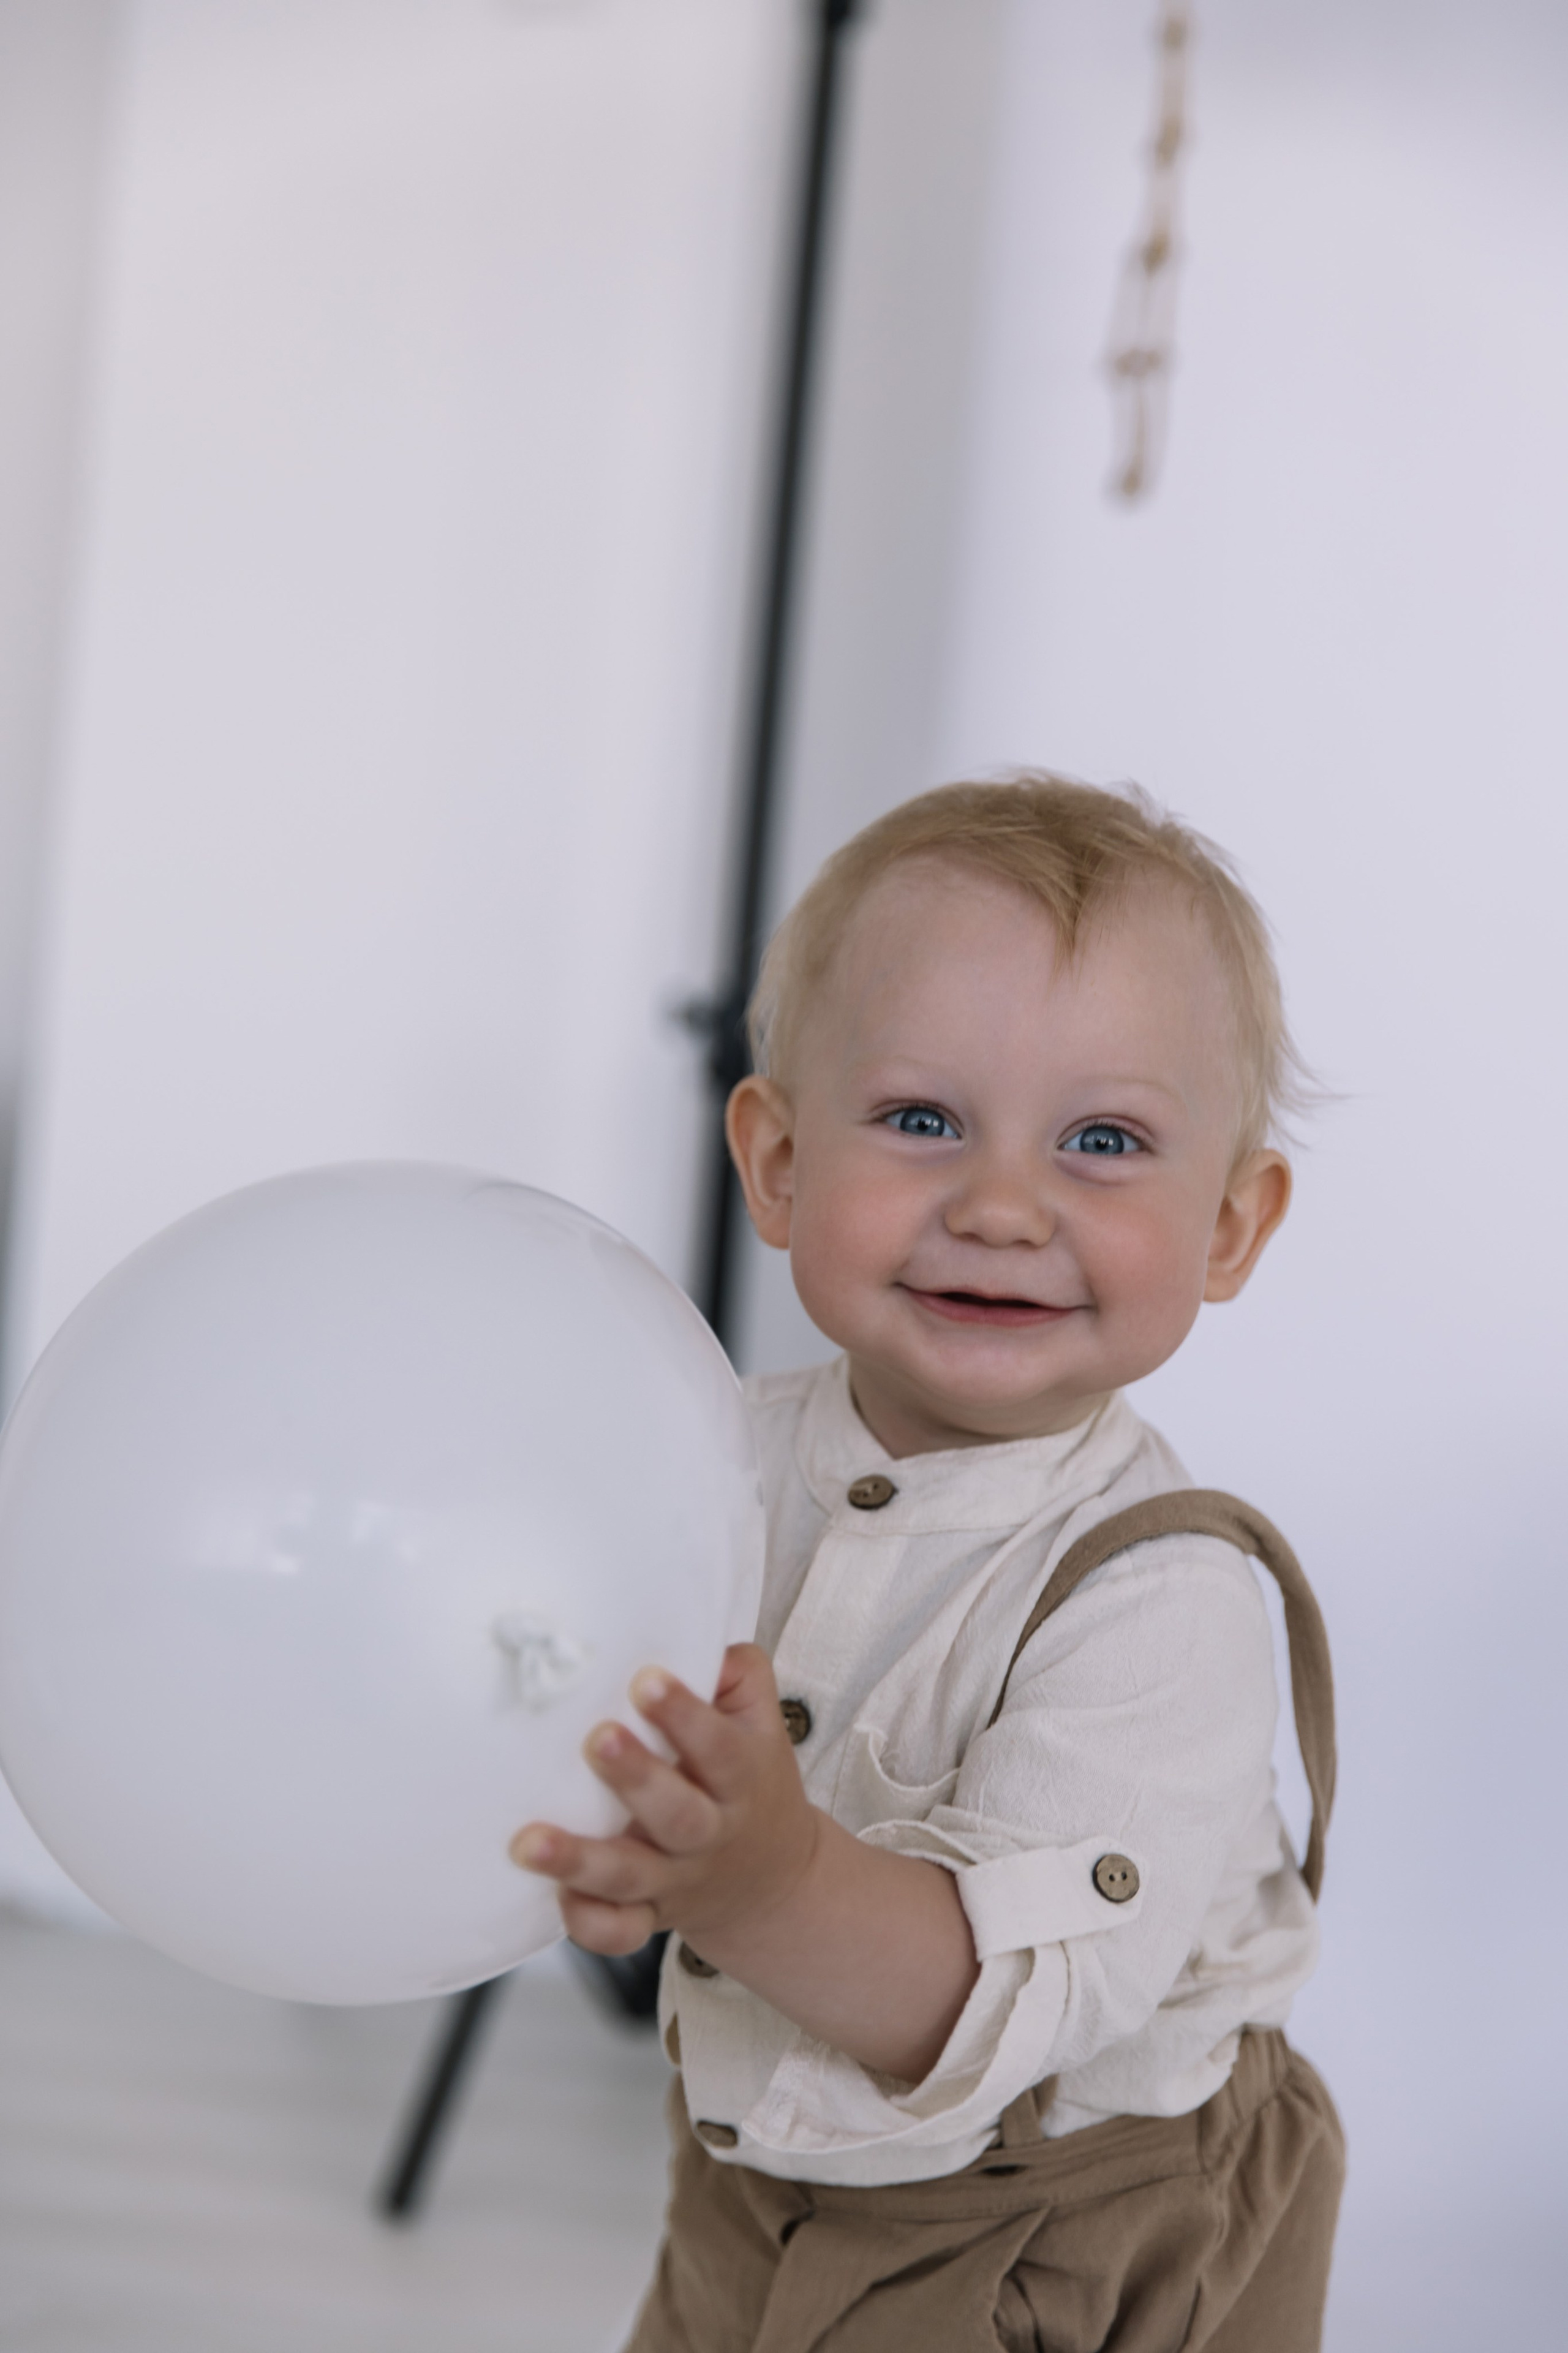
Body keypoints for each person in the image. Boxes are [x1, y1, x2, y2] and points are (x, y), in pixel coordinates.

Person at [513, 776, 1344, 2351]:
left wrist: (754, 1880)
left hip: (1077, 2230)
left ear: (1230, 1226)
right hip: (761, 2167)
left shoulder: (1158, 1597)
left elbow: (997, 2004)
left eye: (1101, 1140)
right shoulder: (701, 1468)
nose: (1002, 1205)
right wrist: (616, 1836)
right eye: (920, 1119)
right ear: (776, 1162)